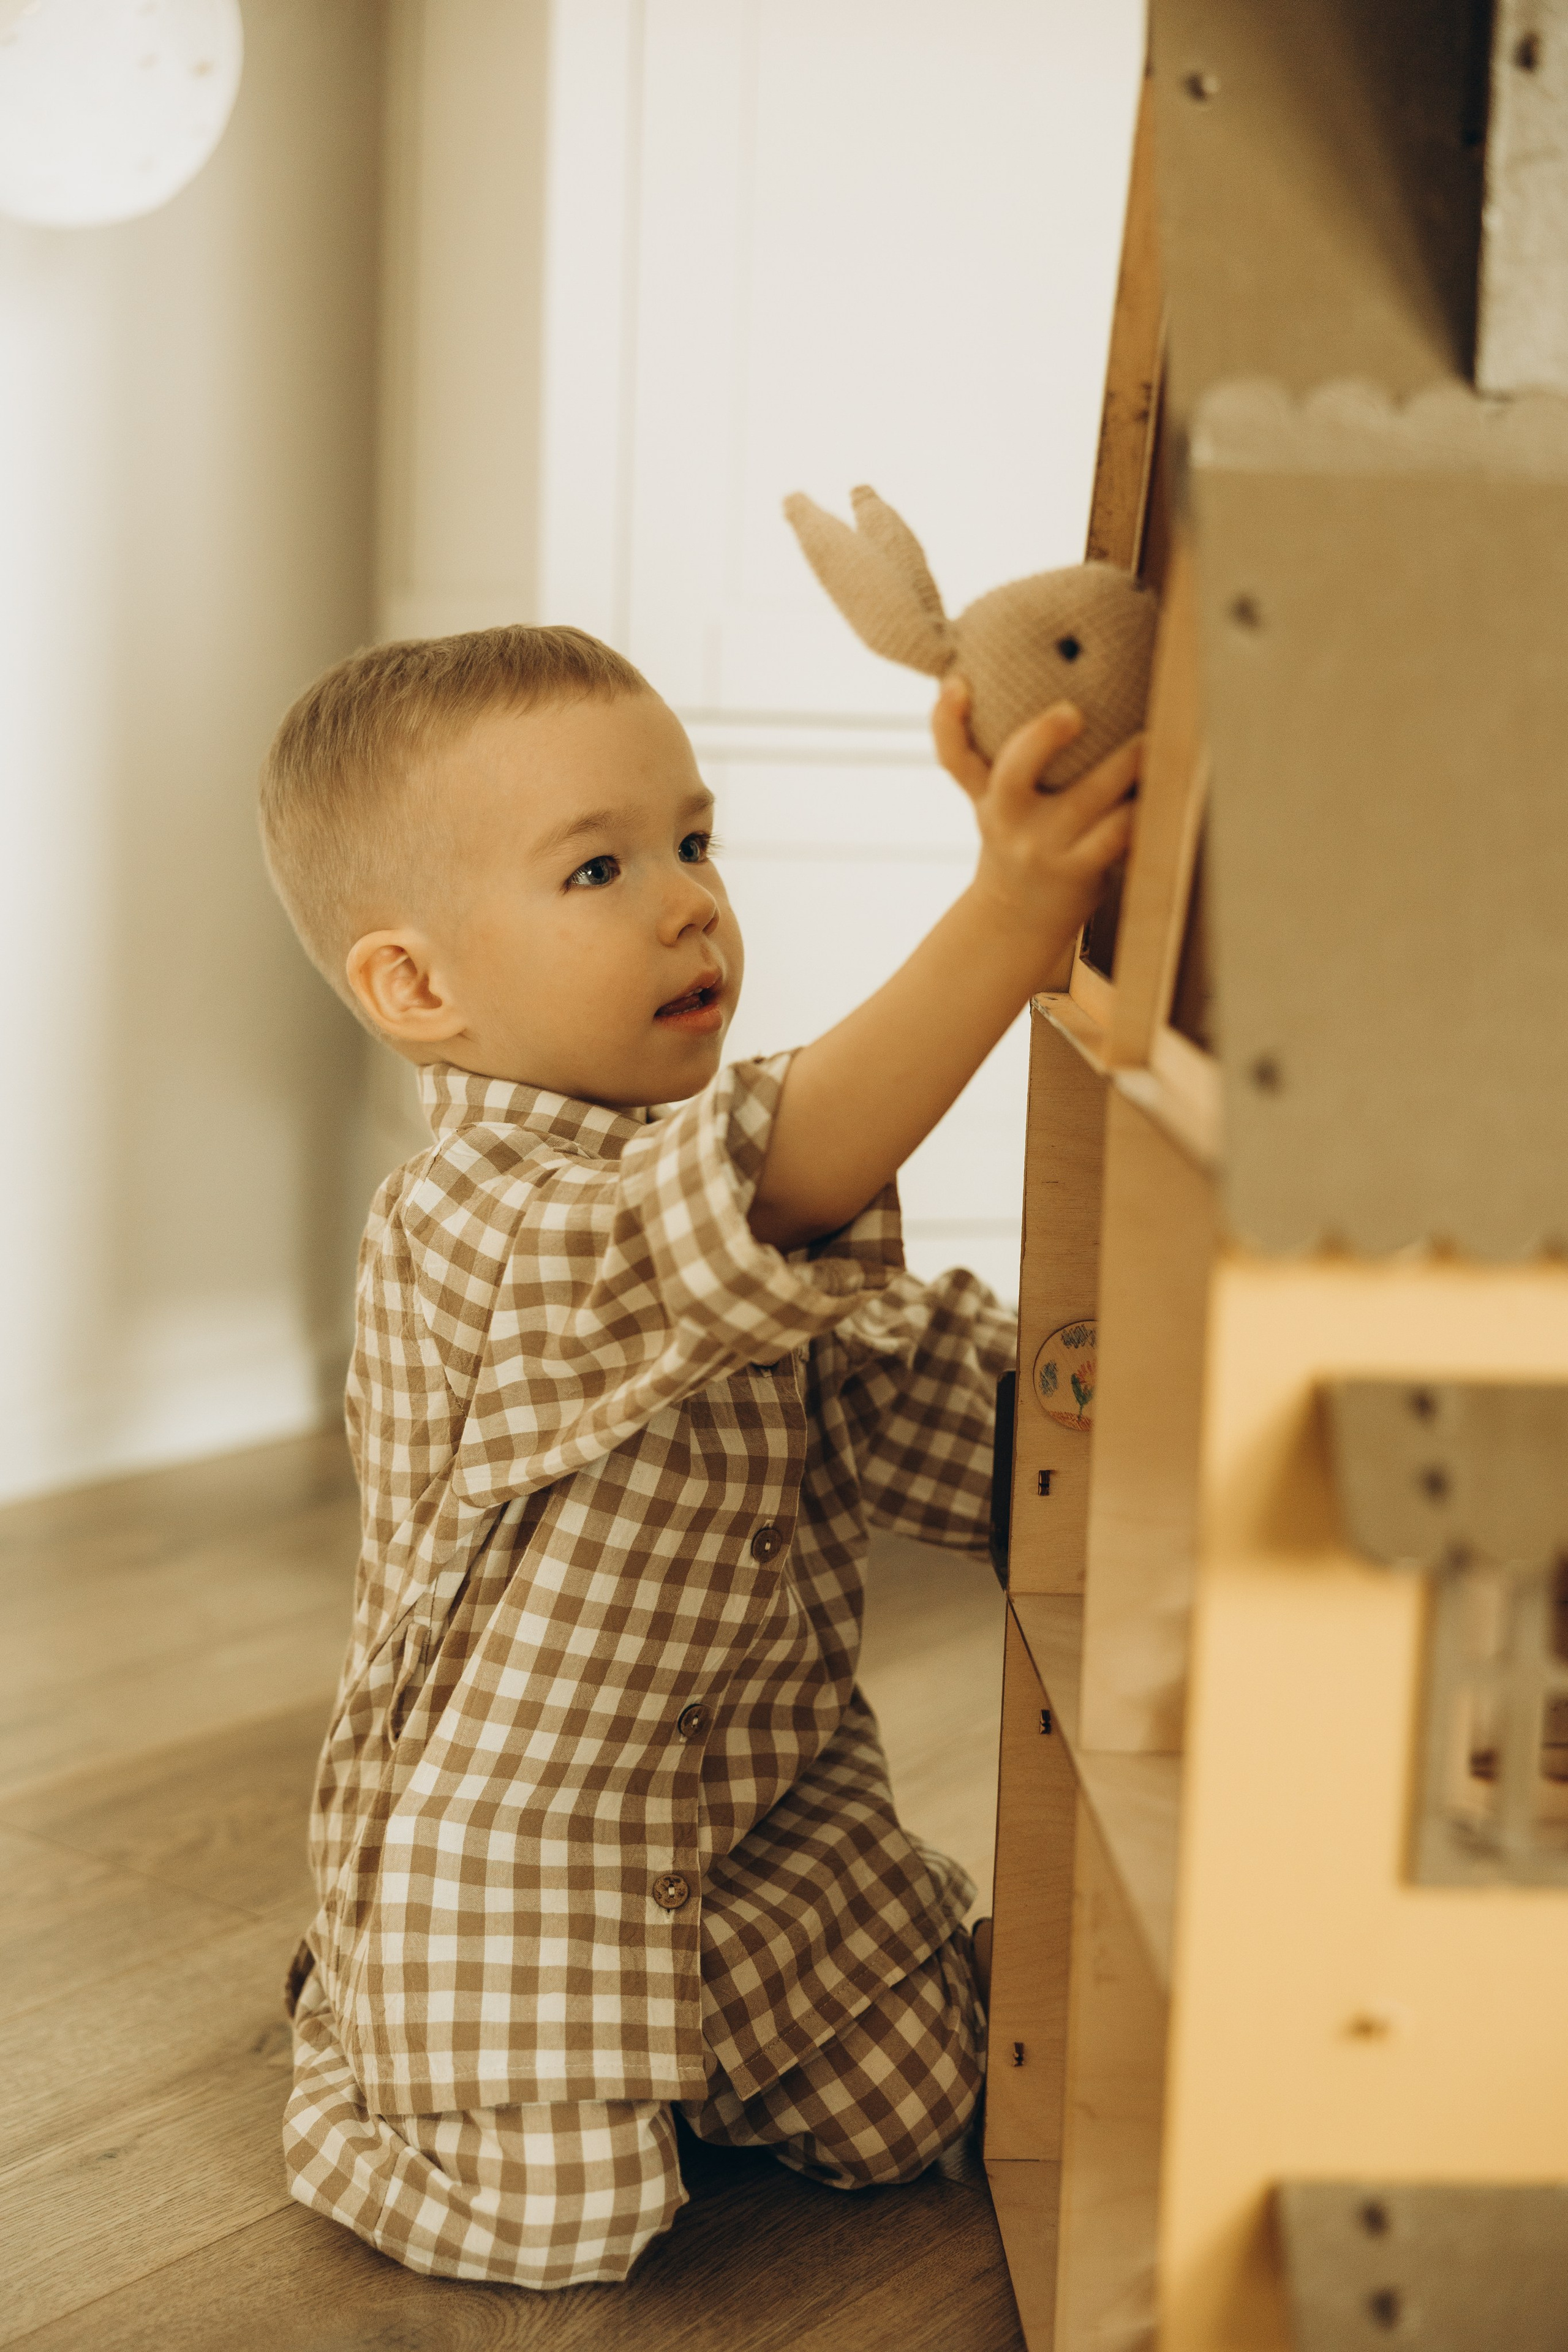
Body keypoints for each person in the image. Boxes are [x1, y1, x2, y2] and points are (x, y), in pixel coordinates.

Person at [258, 624, 1139, 2290]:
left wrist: (1101, 1408)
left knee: (923, 2111)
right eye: (598, 867)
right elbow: (770, 1184)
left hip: (765, 1824)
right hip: (532, 1854)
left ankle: (700, 2052)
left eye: (694, 842)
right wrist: (1014, 913)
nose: (687, 901)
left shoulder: (705, 1195)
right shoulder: (480, 1221)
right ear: (418, 988)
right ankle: (364, 2044)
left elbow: (899, 1377)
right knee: (570, 2228)